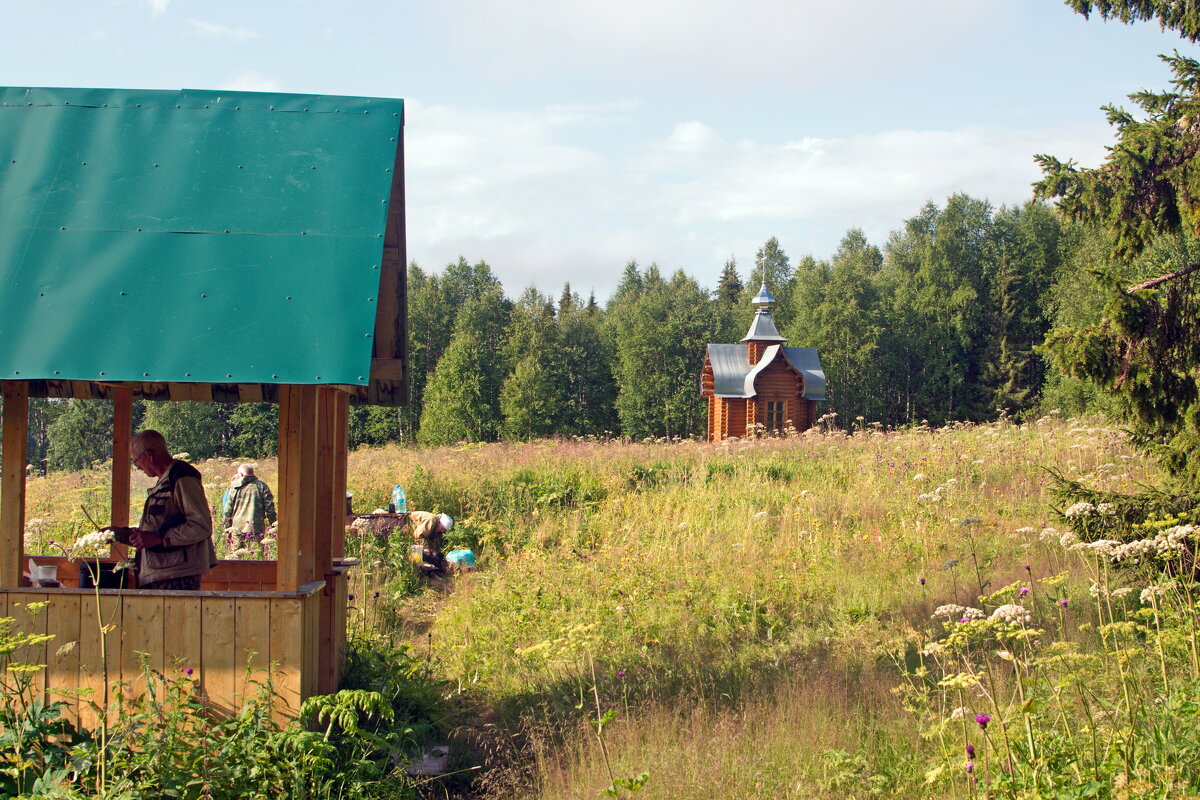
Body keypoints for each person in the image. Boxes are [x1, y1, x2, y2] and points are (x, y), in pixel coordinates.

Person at [107, 429, 218, 590]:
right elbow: (160, 527)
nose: (138, 467)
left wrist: (159, 538)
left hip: (178, 576)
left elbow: (200, 526)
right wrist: (124, 534)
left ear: (149, 455)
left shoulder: (182, 477)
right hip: (162, 571)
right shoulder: (165, 481)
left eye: (136, 461)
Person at [223, 463, 278, 554]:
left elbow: (228, 511)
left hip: (237, 528)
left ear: (241, 474)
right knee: (256, 556)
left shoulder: (234, 487)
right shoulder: (262, 486)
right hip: (255, 528)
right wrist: (274, 526)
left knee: (236, 557)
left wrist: (227, 529)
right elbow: (270, 510)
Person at [407, 511, 452, 575]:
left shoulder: (435, 526)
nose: (442, 531)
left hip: (413, 532)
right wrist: (426, 548)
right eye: (442, 528)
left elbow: (430, 540)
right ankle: (416, 569)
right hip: (407, 527)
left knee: (431, 553)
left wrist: (432, 550)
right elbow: (418, 535)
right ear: (439, 523)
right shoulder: (431, 520)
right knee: (421, 550)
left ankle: (425, 570)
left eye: (444, 530)